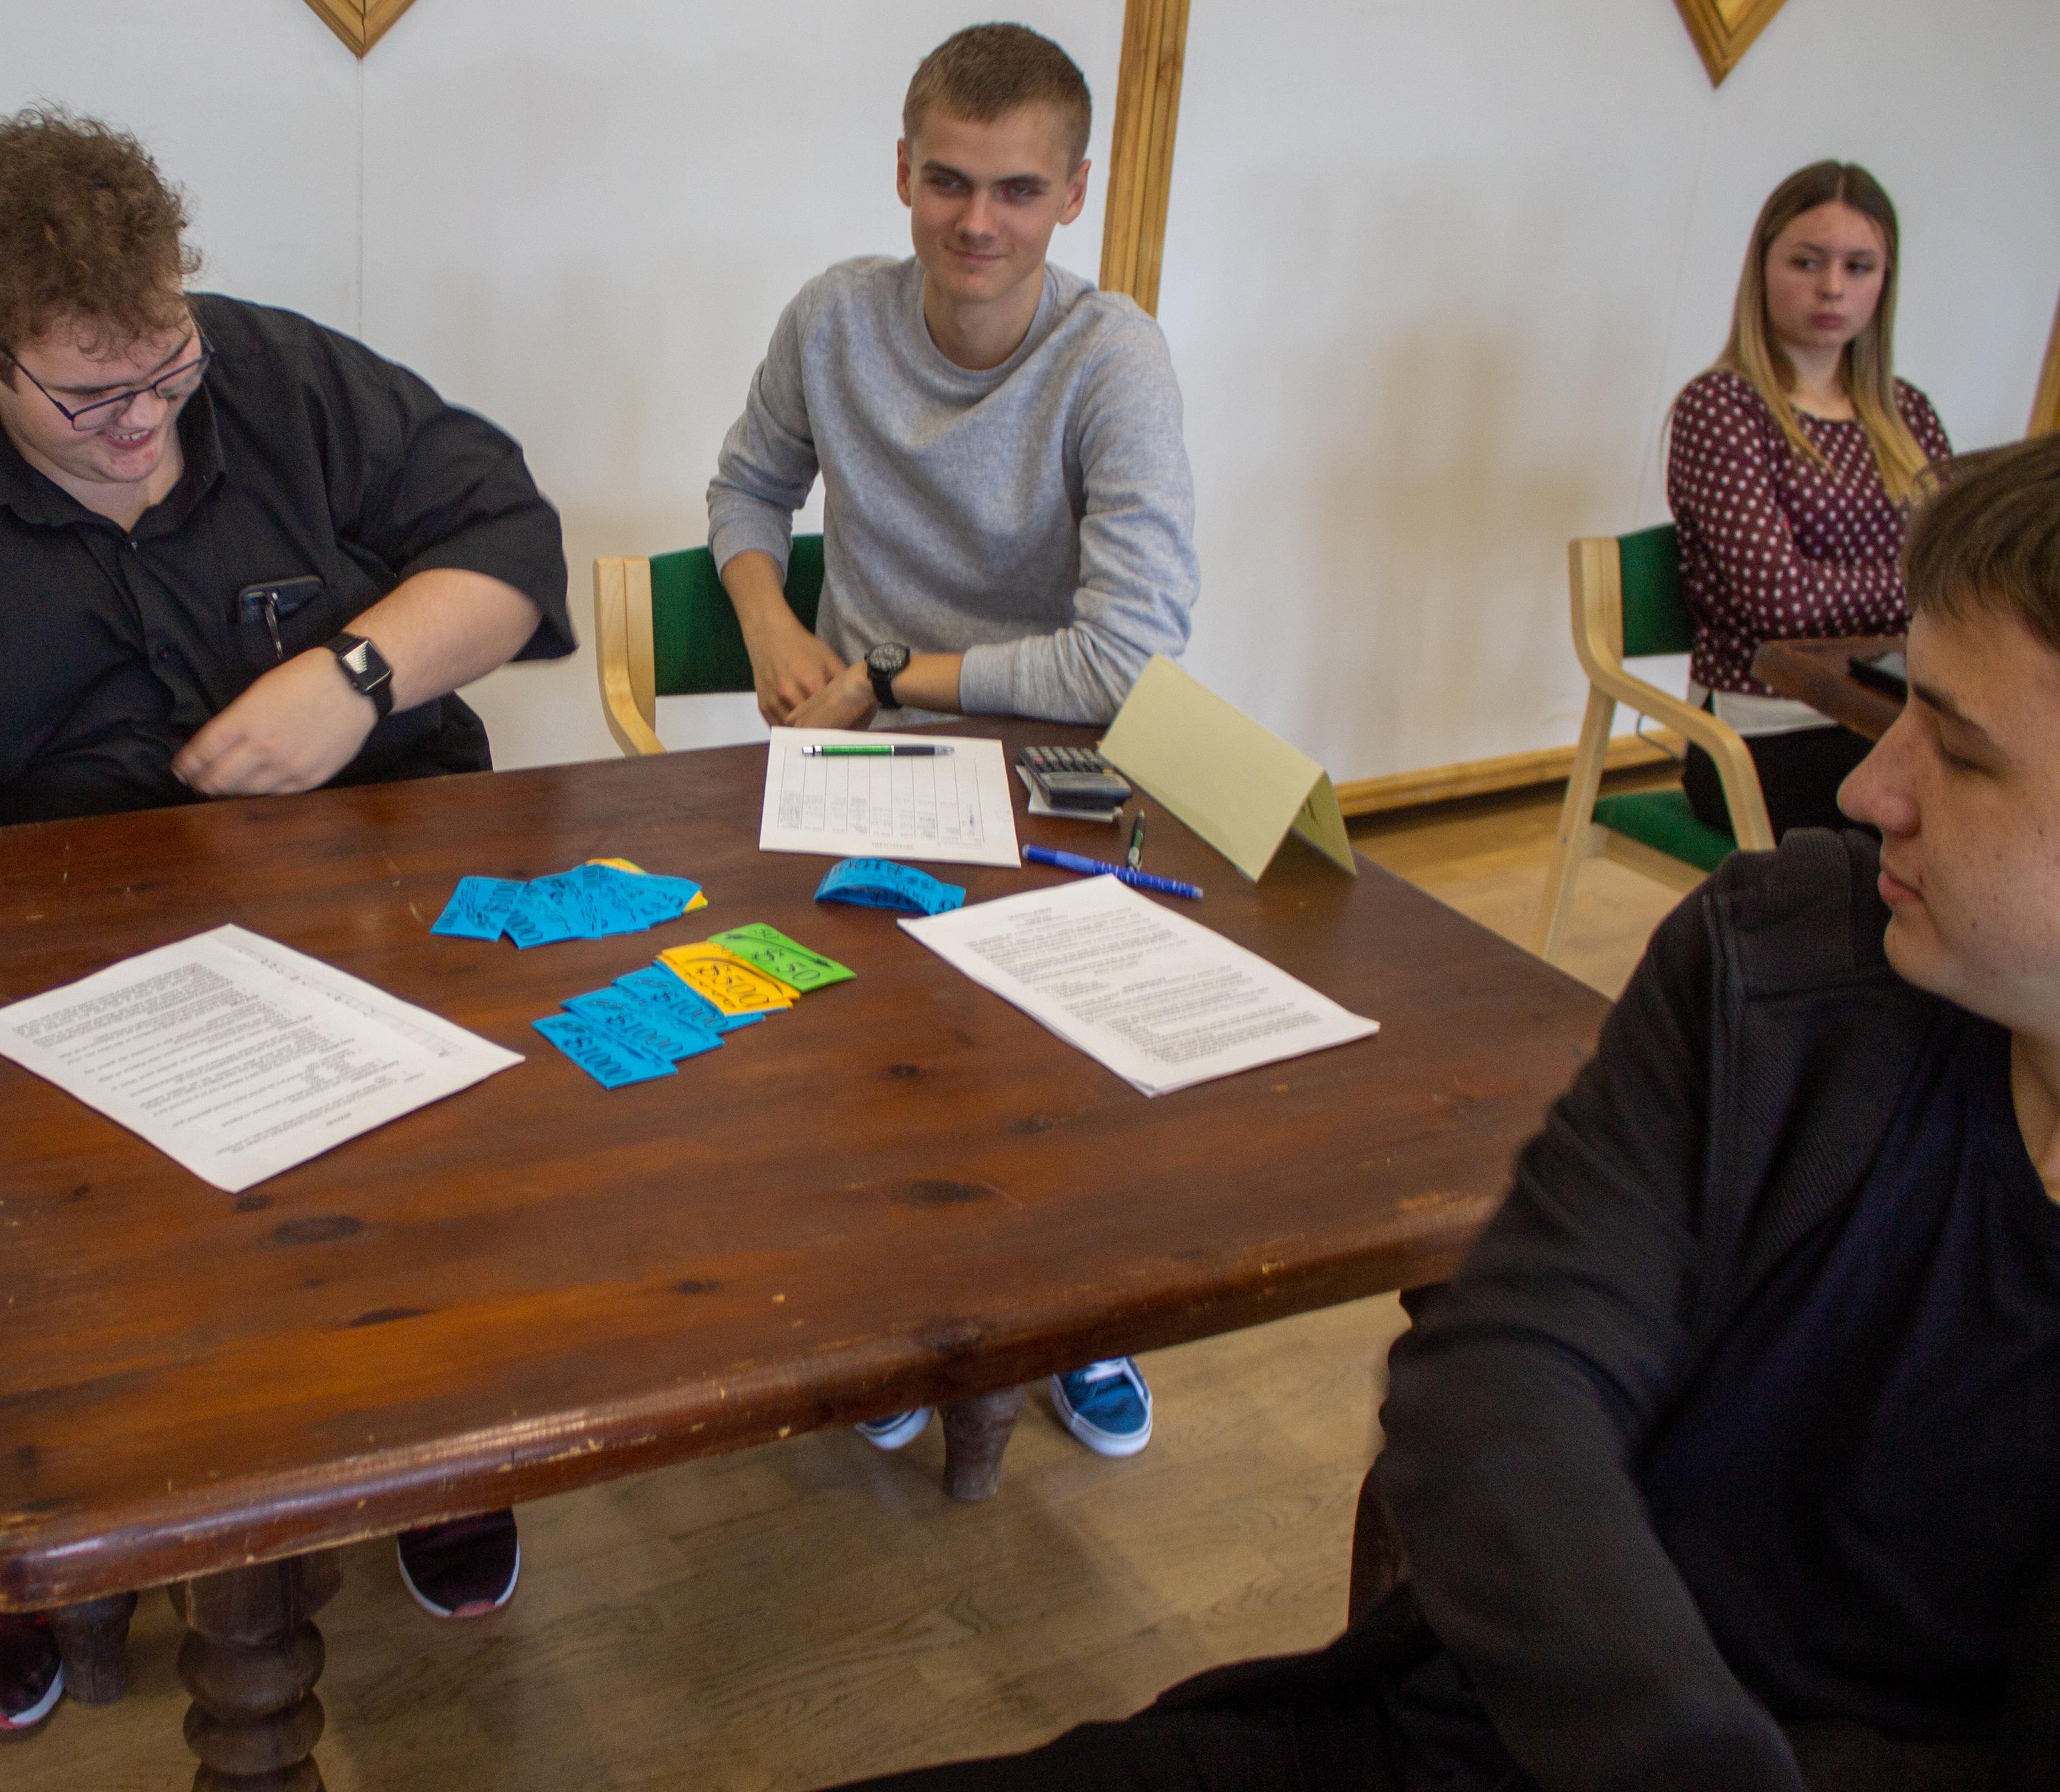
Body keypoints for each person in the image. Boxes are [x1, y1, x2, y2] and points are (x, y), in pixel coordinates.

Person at [820, 432, 2060, 1792]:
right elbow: (1497, 1379)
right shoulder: (1778, 960)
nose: (1874, 787)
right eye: (1901, 706)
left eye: (1962, 753)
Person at [0, 106, 569, 1731]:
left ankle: (436, 1449)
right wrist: (121, 966)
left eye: (166, 372)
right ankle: (39, 1531)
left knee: (429, 1195)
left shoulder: (285, 378)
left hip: (369, 889)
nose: (144, 427)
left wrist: (356, 675)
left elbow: (513, 550)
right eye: (90, 398)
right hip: (44, 943)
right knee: (49, 1249)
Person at [707, 21, 1196, 1464]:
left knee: (1060, 1065)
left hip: (1060, 762)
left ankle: (1078, 1307)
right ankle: (892, 1296)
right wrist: (766, 620)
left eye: (1018, 189)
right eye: (948, 181)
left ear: (1075, 192)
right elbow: (745, 488)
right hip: (863, 761)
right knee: (861, 1043)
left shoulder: (1113, 359)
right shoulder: (832, 318)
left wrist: (878, 671)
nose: (977, 220)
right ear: (902, 171)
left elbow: (1126, 657)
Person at [1671, 159, 1951, 837]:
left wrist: (1922, 583)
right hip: (1757, 737)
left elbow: (1957, 575)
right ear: (1763, 267)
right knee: (1955, 815)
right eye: (1807, 262)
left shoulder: (1909, 413)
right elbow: (1781, 601)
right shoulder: (1723, 405)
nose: (1832, 287)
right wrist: (1911, 584)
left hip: (1890, 715)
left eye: (1859, 267)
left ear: (1885, 281)